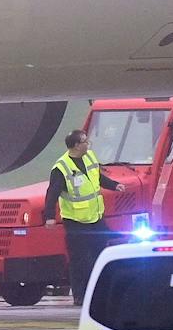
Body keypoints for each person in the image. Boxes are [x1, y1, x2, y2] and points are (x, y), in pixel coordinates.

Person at [45, 127, 126, 304]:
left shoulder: (90, 157)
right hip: (76, 222)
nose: (88, 144)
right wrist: (49, 216)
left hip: (96, 218)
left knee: (101, 255)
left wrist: (114, 185)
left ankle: (100, 291)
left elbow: (98, 178)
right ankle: (80, 296)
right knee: (79, 260)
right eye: (84, 141)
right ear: (75, 146)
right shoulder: (61, 168)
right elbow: (51, 194)